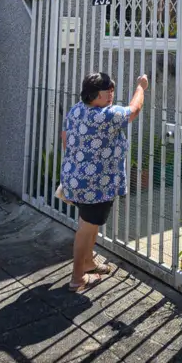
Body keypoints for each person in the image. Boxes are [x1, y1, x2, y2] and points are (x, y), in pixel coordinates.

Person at [60, 71, 147, 292]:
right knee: (86, 228)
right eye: (108, 90)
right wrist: (141, 87)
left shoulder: (76, 110)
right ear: (96, 94)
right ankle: (77, 279)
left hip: (75, 180)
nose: (111, 94)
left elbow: (65, 139)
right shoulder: (107, 115)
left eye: (112, 90)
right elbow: (134, 109)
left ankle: (88, 262)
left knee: (90, 224)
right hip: (96, 186)